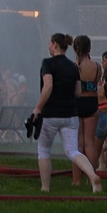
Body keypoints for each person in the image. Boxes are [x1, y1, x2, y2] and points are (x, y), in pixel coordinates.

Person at [31, 33, 101, 193]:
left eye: (50, 43)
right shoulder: (72, 66)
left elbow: (48, 86)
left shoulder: (48, 63)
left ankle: (45, 187)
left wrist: (38, 107)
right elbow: (77, 91)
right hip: (70, 115)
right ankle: (92, 175)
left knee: (43, 149)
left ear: (55, 45)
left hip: (50, 114)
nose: (48, 46)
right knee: (72, 150)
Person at [73, 35, 102, 186]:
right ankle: (91, 178)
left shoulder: (73, 66)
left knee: (77, 144)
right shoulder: (97, 66)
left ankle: (76, 180)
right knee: (90, 142)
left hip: (77, 103)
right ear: (89, 48)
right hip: (92, 102)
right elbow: (97, 84)